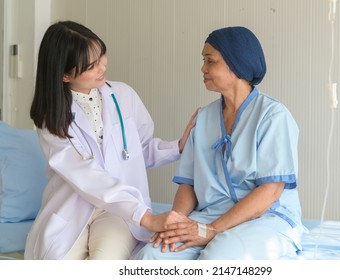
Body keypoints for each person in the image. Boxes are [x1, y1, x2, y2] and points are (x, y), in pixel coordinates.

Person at [24, 20, 196, 260]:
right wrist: (148, 217)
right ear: (64, 74)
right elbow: (86, 175)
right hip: (73, 209)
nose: (102, 66)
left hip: (120, 211)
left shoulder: (124, 95)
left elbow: (140, 151)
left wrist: (177, 146)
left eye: (102, 56)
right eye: (91, 65)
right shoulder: (51, 119)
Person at [135, 26, 305, 260]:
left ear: (236, 64)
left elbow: (271, 190)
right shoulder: (203, 118)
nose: (202, 68)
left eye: (210, 61)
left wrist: (212, 230)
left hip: (264, 218)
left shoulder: (273, 116)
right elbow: (188, 184)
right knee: (151, 257)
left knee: (217, 259)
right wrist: (177, 223)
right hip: (209, 215)